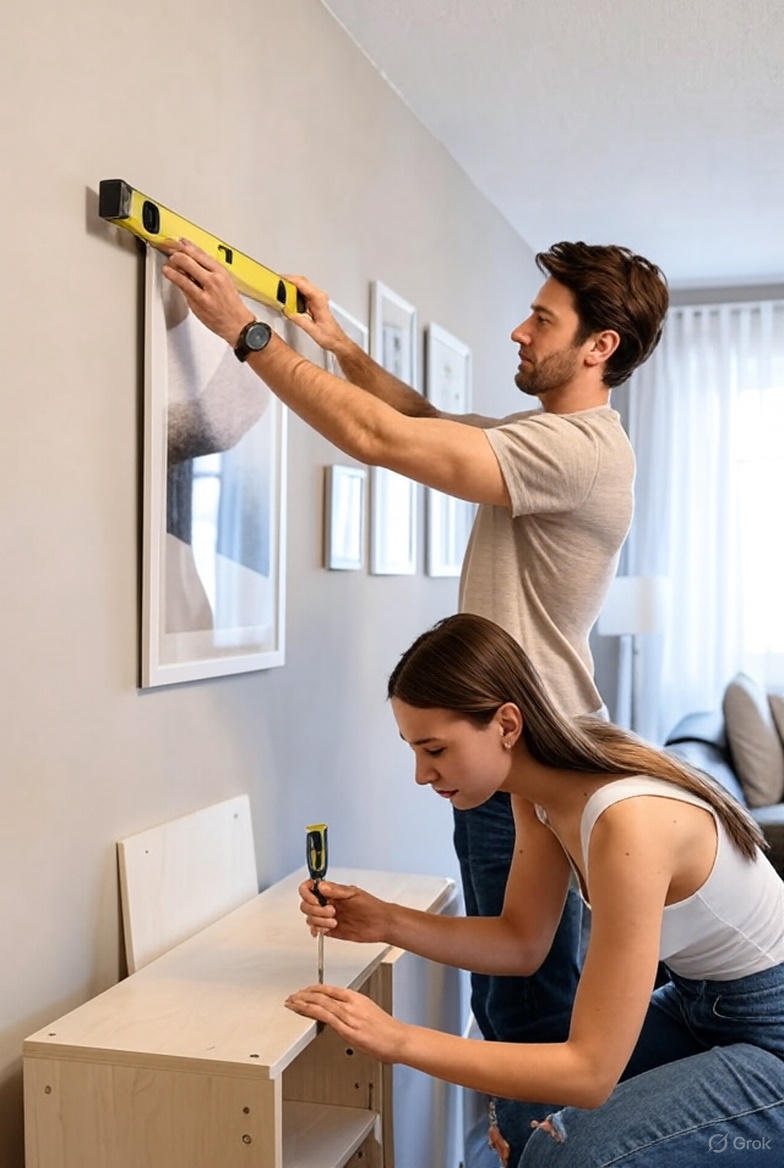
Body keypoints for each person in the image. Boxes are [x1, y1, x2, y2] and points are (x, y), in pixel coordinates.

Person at [161, 237, 669, 1157]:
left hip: (528, 757)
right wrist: (342, 350)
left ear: (599, 346)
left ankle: (529, 1149)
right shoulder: (558, 441)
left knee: (525, 1002)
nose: (520, 330)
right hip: (525, 749)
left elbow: (384, 440)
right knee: (519, 984)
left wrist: (246, 332)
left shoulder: (577, 452)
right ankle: (531, 1143)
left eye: (543, 320)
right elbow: (426, 418)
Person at [285, 613, 784, 1167]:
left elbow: (591, 1074)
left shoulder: (627, 824)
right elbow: (521, 944)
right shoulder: (539, 790)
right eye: (414, 750)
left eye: (435, 750)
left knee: (571, 1154)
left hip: (771, 1031)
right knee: (526, 1118)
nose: (421, 774)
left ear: (506, 724)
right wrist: (384, 920)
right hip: (701, 1003)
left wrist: (399, 1040)